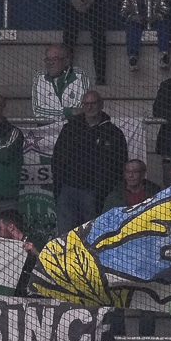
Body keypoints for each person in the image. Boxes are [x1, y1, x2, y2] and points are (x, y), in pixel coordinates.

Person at [51, 91, 128, 235]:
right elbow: (57, 160)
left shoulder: (113, 133)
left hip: (96, 193)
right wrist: (60, 187)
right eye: (86, 103)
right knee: (66, 236)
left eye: (93, 103)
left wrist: (104, 190)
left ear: (101, 105)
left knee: (92, 236)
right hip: (68, 190)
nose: (90, 107)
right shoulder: (70, 129)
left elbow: (120, 164)